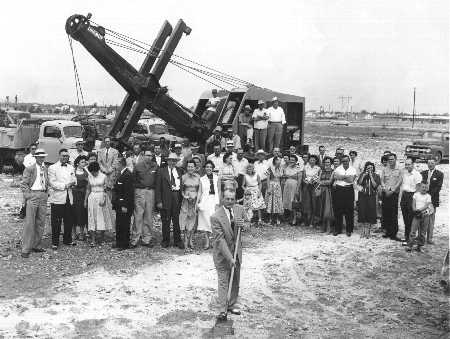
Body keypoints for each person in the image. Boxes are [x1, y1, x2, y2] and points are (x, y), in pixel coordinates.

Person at [211, 189, 245, 321]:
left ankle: (231, 304)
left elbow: (248, 225)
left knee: (235, 279)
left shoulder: (239, 210)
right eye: (227, 199)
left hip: (237, 252)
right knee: (224, 280)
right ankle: (222, 309)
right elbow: (220, 240)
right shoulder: (215, 217)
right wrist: (229, 257)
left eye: (232, 199)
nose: (230, 201)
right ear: (222, 199)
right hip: (222, 254)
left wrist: (244, 225)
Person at [20, 149, 48, 258]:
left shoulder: (45, 168)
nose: (42, 158)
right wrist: (28, 196)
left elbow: (46, 181)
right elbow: (23, 184)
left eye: (43, 157)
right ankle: (26, 248)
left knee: (40, 222)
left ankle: (36, 245)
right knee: (30, 223)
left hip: (43, 195)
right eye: (40, 157)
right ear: (35, 157)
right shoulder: (30, 168)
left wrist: (47, 192)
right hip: (33, 195)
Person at [48, 148, 77, 250]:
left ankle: (67, 239)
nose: (65, 157)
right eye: (63, 155)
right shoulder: (52, 168)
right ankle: (55, 242)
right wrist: (65, 185)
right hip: (57, 198)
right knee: (56, 221)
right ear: (59, 156)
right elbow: (52, 183)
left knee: (69, 220)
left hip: (69, 197)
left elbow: (74, 179)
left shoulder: (71, 167)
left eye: (66, 156)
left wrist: (74, 183)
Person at [155, 152, 184, 249]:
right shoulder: (161, 171)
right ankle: (165, 240)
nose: (172, 162)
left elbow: (182, 186)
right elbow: (158, 187)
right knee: (165, 220)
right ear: (167, 161)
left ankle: (177, 240)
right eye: (171, 160)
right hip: (165, 198)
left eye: (174, 161)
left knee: (176, 220)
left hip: (176, 198)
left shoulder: (180, 171)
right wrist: (159, 201)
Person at [131, 150, 158, 248]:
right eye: (147, 155)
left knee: (148, 215)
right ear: (143, 156)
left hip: (150, 192)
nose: (149, 157)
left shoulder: (155, 166)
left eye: (150, 155)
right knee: (138, 215)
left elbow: (157, 180)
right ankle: (135, 239)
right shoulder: (138, 166)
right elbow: (133, 179)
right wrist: (138, 188)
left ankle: (147, 239)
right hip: (140, 191)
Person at [84, 161, 114, 247]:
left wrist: (104, 198)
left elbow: (107, 189)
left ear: (97, 170)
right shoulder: (90, 176)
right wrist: (85, 200)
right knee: (92, 217)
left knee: (102, 216)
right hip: (92, 197)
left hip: (102, 196)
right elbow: (88, 189)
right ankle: (93, 239)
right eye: (92, 172)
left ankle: (101, 237)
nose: (93, 173)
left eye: (94, 172)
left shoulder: (103, 176)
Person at [112, 157, 134, 250]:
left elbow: (128, 192)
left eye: (116, 164)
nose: (115, 166)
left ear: (121, 164)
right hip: (119, 204)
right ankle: (119, 242)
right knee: (119, 223)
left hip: (124, 204)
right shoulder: (121, 174)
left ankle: (124, 244)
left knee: (124, 224)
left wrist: (125, 205)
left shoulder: (127, 175)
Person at [331, 155, 356, 236]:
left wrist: (341, 177)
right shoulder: (338, 168)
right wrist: (346, 177)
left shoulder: (353, 169)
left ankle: (349, 230)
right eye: (343, 161)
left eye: (346, 161)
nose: (345, 162)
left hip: (349, 190)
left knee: (349, 210)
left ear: (349, 161)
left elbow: (351, 180)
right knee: (338, 210)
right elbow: (335, 177)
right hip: (339, 190)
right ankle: (338, 229)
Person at [197, 160, 220, 250]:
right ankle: (207, 242)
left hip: (214, 200)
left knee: (214, 221)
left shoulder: (217, 177)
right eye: (207, 167)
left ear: (213, 168)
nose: (208, 168)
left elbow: (219, 191)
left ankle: (214, 241)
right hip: (205, 201)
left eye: (210, 167)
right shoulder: (202, 179)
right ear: (205, 168)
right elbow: (200, 192)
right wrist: (197, 202)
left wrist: (218, 203)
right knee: (205, 221)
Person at [421, 158, 443, 244]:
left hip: (432, 200)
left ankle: (429, 238)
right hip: (422, 199)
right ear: (427, 164)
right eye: (429, 163)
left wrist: (429, 196)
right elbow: (420, 185)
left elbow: (438, 187)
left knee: (430, 219)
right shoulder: (423, 173)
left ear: (436, 163)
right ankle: (421, 237)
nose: (430, 164)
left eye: (432, 163)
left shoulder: (440, 174)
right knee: (421, 218)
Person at [179, 160, 200, 251]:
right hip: (186, 200)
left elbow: (200, 190)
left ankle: (190, 239)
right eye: (189, 166)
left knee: (193, 218)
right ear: (186, 168)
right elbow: (181, 189)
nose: (190, 168)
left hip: (194, 199)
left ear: (195, 168)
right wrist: (185, 196)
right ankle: (185, 240)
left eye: (192, 166)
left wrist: (196, 198)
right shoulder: (183, 177)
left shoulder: (198, 177)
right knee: (184, 218)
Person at [380, 153, 402, 241]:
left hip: (394, 194)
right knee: (386, 213)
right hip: (386, 193)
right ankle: (387, 232)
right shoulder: (385, 169)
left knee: (393, 214)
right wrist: (385, 189)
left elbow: (399, 181)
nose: (391, 161)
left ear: (395, 159)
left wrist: (392, 190)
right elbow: (382, 180)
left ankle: (393, 233)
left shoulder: (399, 170)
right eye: (389, 160)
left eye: (392, 159)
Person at [406, 182, 433, 252]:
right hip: (416, 215)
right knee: (413, 231)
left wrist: (419, 210)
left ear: (427, 188)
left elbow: (427, 205)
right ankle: (410, 246)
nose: (424, 189)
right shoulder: (416, 195)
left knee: (423, 232)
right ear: (420, 187)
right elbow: (413, 204)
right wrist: (414, 209)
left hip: (424, 215)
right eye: (423, 187)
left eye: (426, 187)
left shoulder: (428, 196)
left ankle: (419, 246)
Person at [400, 158, 422, 243]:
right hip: (404, 196)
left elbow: (418, 189)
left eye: (409, 164)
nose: (407, 166)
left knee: (410, 218)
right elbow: (404, 186)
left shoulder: (417, 175)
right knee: (405, 218)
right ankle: (406, 236)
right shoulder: (405, 174)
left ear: (413, 164)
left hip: (412, 196)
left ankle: (410, 238)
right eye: (406, 164)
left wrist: (414, 201)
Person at [357, 161, 381, 238]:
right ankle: (363, 231)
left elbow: (375, 185)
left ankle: (368, 232)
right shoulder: (362, 174)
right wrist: (363, 176)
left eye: (371, 167)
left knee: (370, 213)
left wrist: (371, 176)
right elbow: (359, 183)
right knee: (363, 212)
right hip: (363, 196)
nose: (370, 169)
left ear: (373, 168)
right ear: (365, 168)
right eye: (368, 168)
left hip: (371, 196)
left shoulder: (376, 175)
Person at [282, 155, 302, 225]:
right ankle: (290, 217)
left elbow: (299, 180)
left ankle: (295, 219)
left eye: (293, 160)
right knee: (288, 201)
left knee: (293, 201)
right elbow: (284, 176)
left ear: (296, 161)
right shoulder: (287, 167)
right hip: (287, 185)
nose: (292, 161)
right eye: (291, 160)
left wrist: (297, 189)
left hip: (294, 185)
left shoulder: (298, 168)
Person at [72, 155, 89, 241]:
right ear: (77, 163)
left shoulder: (86, 172)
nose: (84, 163)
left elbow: (88, 184)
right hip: (74, 194)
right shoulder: (73, 171)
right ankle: (74, 232)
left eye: (84, 162)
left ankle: (82, 232)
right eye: (82, 162)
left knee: (82, 213)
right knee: (73, 213)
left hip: (83, 195)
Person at [302, 155, 321, 227]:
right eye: (310, 160)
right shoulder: (305, 167)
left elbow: (319, 178)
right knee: (306, 203)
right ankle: (306, 220)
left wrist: (315, 181)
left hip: (314, 187)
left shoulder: (318, 168)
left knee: (314, 203)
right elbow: (303, 178)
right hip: (307, 186)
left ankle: (312, 221)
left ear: (316, 161)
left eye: (313, 160)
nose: (312, 161)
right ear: (309, 160)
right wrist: (306, 182)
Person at [317, 156, 334, 233]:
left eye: (328, 162)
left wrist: (321, 182)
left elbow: (330, 182)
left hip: (328, 191)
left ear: (331, 163)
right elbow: (318, 180)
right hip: (321, 191)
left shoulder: (333, 171)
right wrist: (322, 182)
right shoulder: (321, 171)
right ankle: (323, 226)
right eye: (325, 162)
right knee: (322, 208)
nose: (327, 163)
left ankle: (329, 227)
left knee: (328, 209)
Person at [265, 156, 284, 224]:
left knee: (277, 201)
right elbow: (267, 179)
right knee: (271, 201)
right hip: (271, 185)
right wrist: (268, 188)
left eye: (280, 160)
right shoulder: (270, 168)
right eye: (278, 160)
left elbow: (281, 178)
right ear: (275, 161)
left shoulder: (281, 168)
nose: (280, 162)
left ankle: (277, 218)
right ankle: (270, 218)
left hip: (278, 186)